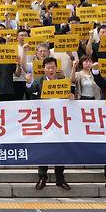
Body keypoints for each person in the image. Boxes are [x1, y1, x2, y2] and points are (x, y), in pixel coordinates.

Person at [25, 57, 71, 191]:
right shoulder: (39, 81)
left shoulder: (63, 82)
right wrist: (28, 84)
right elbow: (30, 96)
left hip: (59, 122)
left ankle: (60, 178)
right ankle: (42, 177)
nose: (50, 70)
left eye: (53, 67)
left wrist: (71, 97)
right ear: (44, 68)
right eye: (48, 67)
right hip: (44, 121)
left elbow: (68, 98)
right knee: (43, 150)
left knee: (60, 150)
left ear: (56, 68)